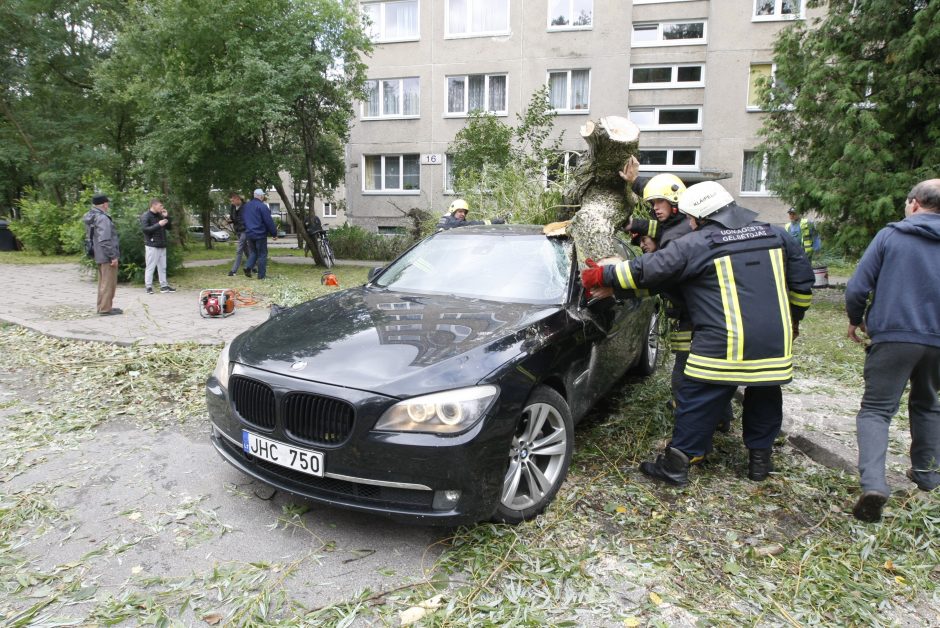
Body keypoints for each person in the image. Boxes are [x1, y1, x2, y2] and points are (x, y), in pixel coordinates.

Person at [581, 181, 814, 486]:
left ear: (701, 217)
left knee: (695, 395)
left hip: (722, 341)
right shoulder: (777, 234)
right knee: (765, 392)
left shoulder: (698, 243)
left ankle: (677, 465)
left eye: (691, 218)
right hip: (773, 341)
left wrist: (603, 274)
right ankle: (760, 461)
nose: (689, 223)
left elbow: (649, 268)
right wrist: (793, 320)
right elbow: (802, 284)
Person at [845, 179, 940, 522]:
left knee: (876, 410)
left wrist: (856, 318)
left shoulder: (892, 235)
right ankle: (928, 477)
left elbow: (858, 286)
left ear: (915, 204)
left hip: (894, 336)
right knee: (929, 403)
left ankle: (874, 484)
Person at [83, 194, 122, 316]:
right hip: (106, 255)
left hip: (98, 253)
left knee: (102, 282)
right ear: (104, 204)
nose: (108, 205)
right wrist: (112, 256)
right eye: (107, 203)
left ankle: (102, 306)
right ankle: (105, 309)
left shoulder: (91, 216)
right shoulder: (103, 218)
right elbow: (105, 239)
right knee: (109, 282)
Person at [139, 198, 175, 294]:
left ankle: (164, 286)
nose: (162, 207)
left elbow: (169, 227)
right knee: (150, 266)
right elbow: (145, 230)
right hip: (152, 245)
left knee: (163, 267)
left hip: (162, 244)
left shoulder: (160, 215)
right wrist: (158, 224)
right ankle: (148, 287)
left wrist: (167, 217)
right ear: (153, 205)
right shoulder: (145, 216)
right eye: (160, 205)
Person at [242, 188, 277, 279]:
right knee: (262, 254)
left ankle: (248, 267)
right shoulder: (262, 206)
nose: (263, 197)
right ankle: (261, 275)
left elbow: (244, 220)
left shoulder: (246, 206)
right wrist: (274, 233)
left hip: (249, 233)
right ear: (260, 196)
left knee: (253, 252)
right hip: (260, 234)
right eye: (263, 196)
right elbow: (268, 221)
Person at [436, 199, 506, 230]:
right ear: (453, 211)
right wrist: (494, 222)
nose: (463, 214)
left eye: (464, 212)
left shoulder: (446, 219)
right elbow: (471, 224)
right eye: (460, 211)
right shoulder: (451, 221)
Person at [227, 193, 251, 277]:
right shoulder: (233, 207)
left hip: (245, 230)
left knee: (239, 248)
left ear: (238, 199)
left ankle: (233, 271)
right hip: (238, 230)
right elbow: (232, 218)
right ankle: (253, 266)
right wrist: (229, 221)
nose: (232, 202)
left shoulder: (246, 207)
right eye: (231, 201)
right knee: (246, 249)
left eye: (233, 201)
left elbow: (248, 219)